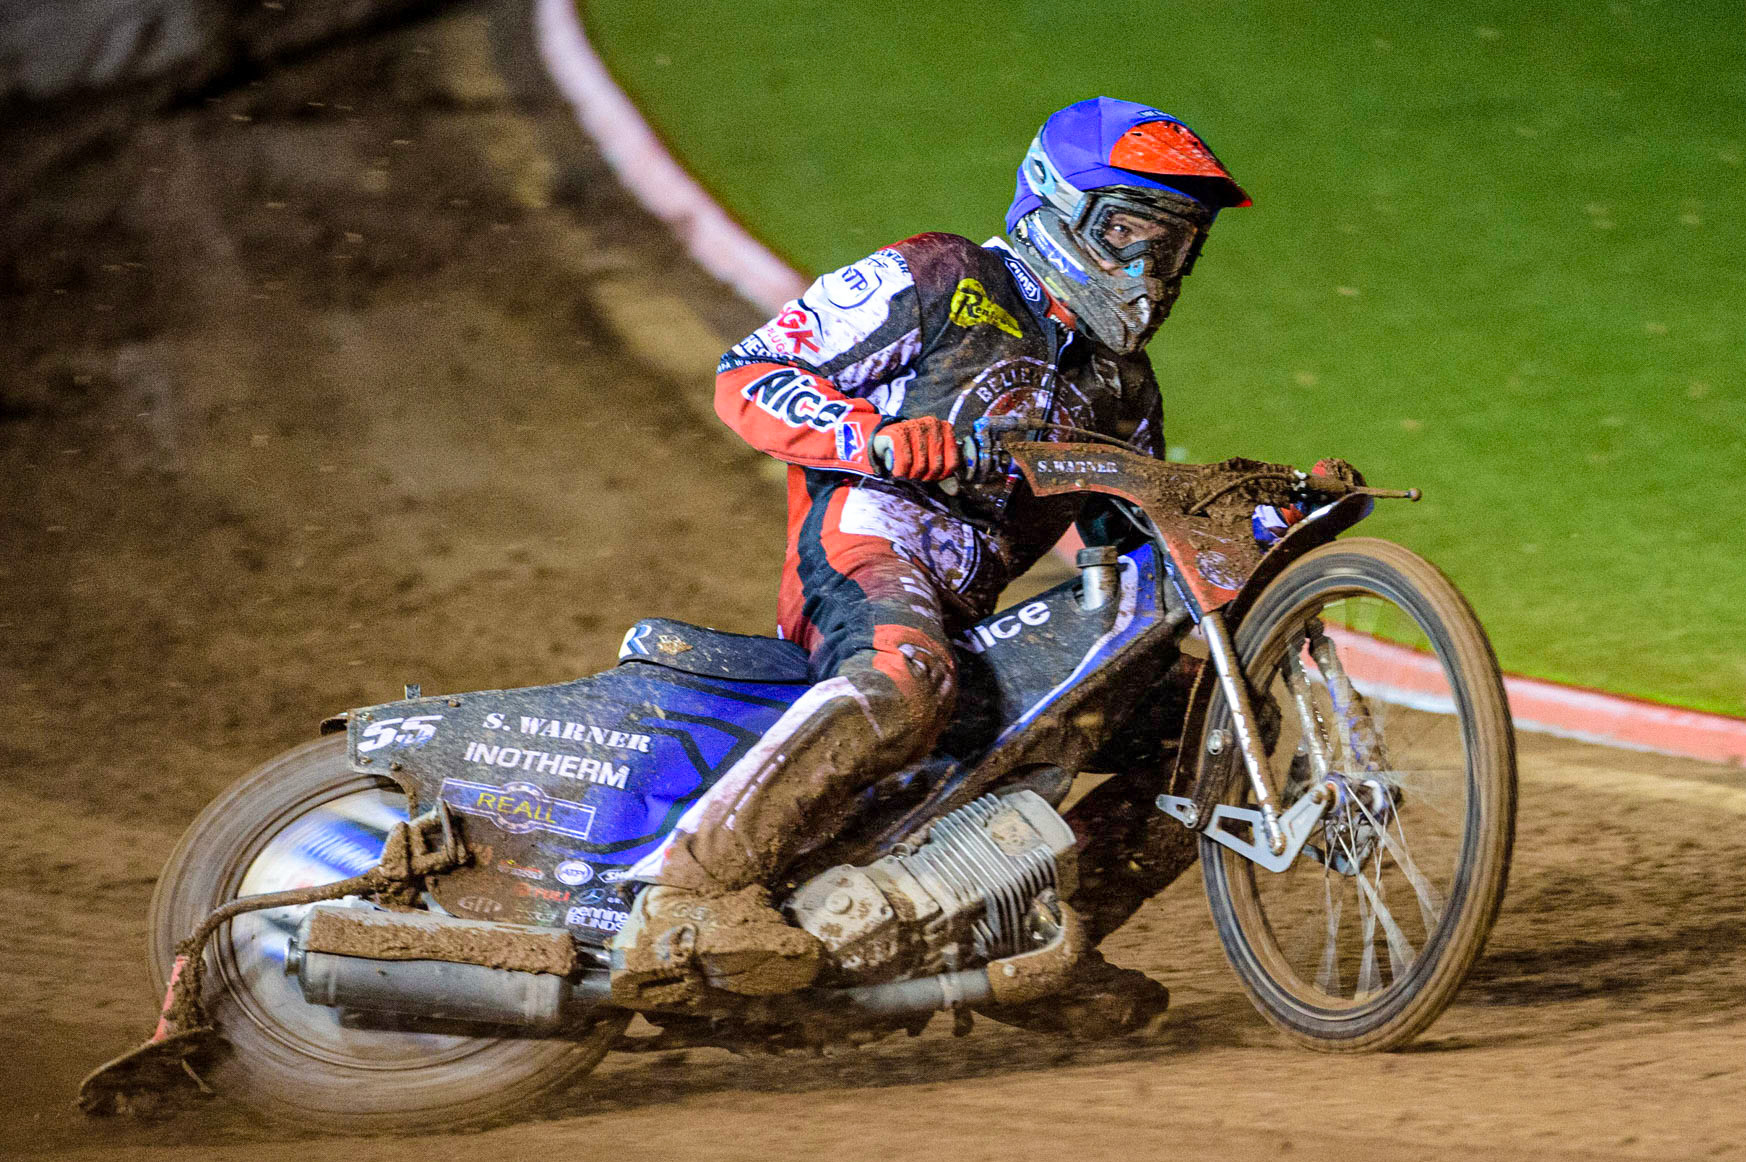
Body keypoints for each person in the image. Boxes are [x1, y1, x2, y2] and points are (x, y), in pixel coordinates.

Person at [612, 97, 1250, 1012]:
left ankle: (1036, 940)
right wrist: (873, 437)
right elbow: (748, 373)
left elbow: (1123, 547)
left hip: (974, 613)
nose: (1150, 267)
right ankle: (686, 894)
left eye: (1174, 245)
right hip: (872, 539)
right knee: (910, 674)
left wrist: (1227, 529)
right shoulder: (941, 273)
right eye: (1129, 232)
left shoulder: (1124, 386)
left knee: (1214, 723)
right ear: (1056, 207)